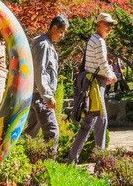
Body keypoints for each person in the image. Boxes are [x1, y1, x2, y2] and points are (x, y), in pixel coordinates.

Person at [66, 13, 118, 164]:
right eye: (107, 24)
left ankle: (72, 160)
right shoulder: (99, 41)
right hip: (96, 85)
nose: (109, 28)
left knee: (89, 123)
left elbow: (93, 65)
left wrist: (106, 75)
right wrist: (112, 76)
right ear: (99, 24)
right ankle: (101, 162)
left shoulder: (92, 39)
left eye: (111, 25)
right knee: (101, 121)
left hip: (92, 82)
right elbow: (102, 63)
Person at [25, 14, 70, 142]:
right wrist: (48, 96)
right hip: (40, 94)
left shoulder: (46, 43)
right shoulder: (43, 44)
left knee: (31, 131)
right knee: (52, 131)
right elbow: (40, 70)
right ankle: (50, 161)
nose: (62, 36)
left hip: (38, 93)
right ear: (54, 28)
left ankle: (20, 155)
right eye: (62, 32)